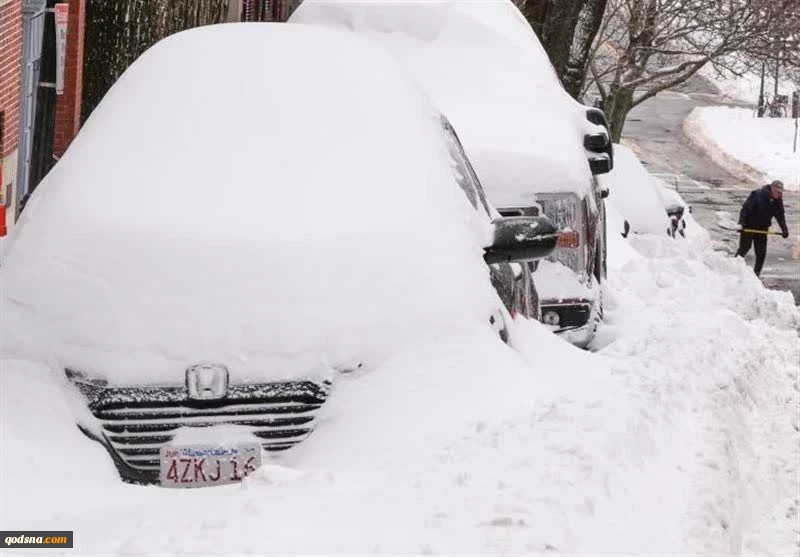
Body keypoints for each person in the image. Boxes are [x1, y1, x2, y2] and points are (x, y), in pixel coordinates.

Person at [735, 180, 790, 276]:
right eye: (778, 191)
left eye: (781, 192)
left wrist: (784, 229)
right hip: (749, 225)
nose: (779, 194)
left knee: (761, 252)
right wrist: (741, 223)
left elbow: (780, 215)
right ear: (772, 188)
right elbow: (745, 209)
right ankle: (732, 266)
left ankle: (757, 273)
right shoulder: (758, 195)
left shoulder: (778, 200)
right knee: (745, 247)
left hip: (763, 227)